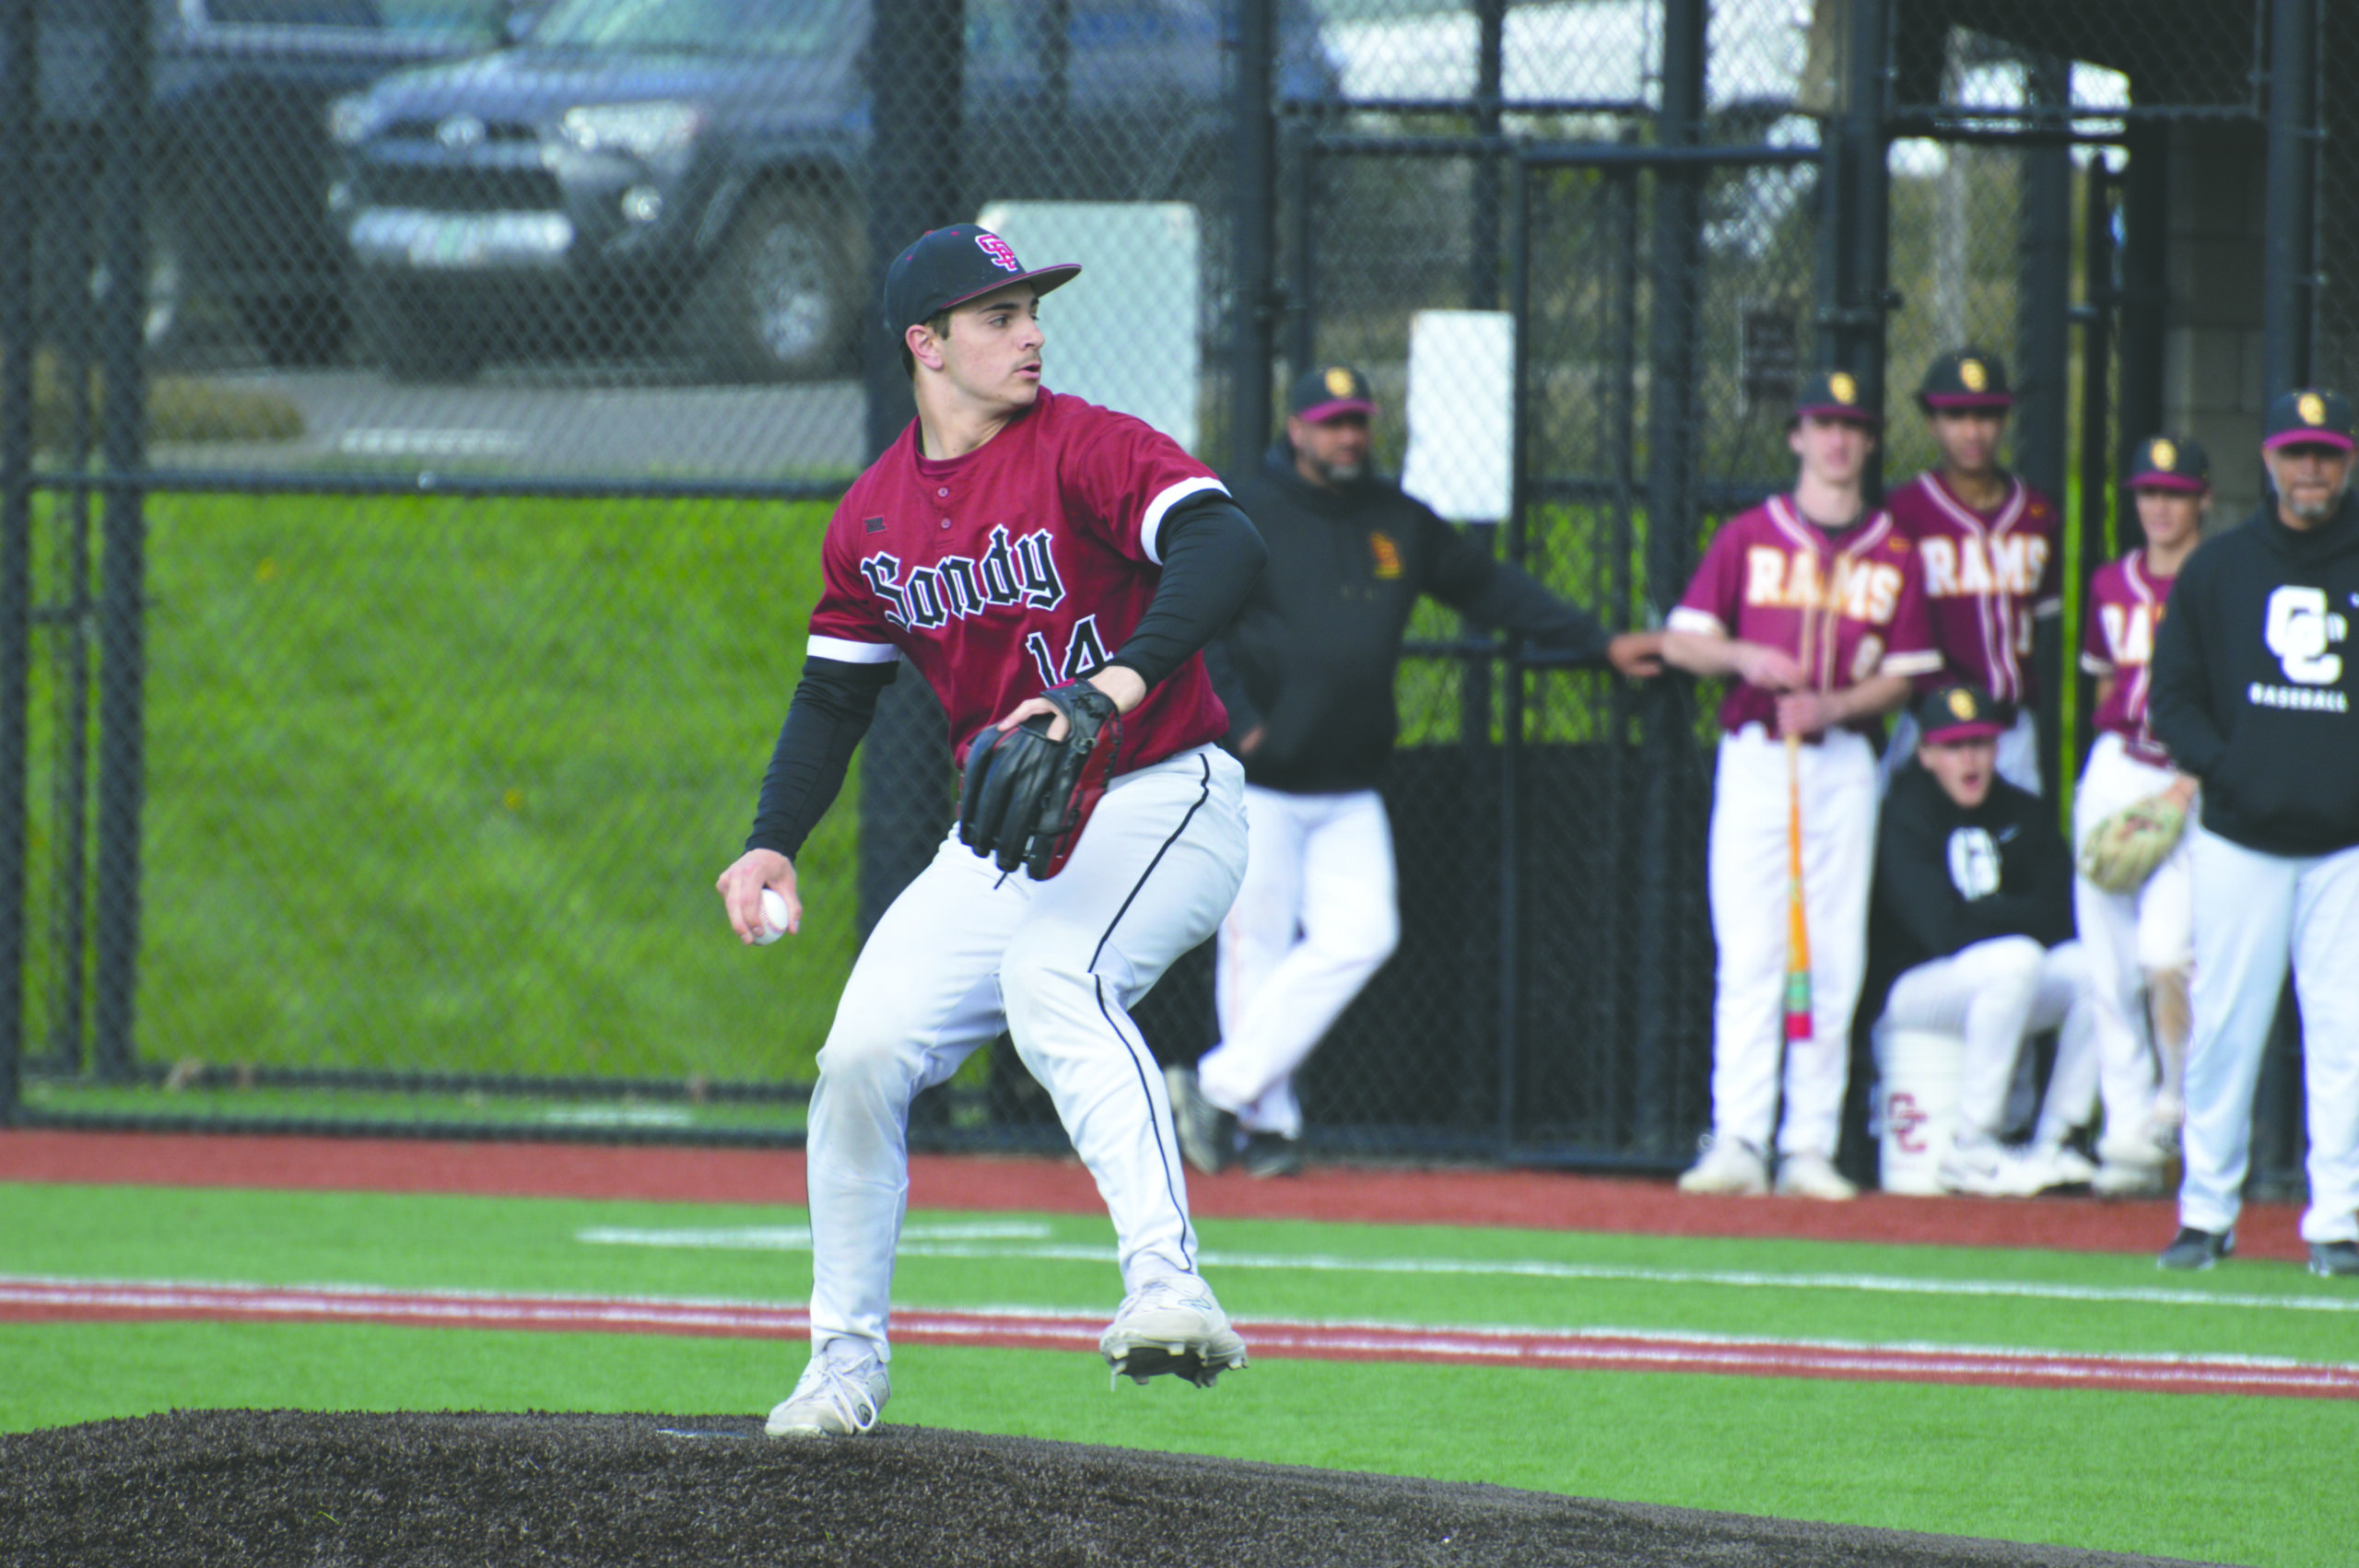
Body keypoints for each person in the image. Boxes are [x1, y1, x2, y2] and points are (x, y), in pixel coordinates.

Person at [713, 223, 1271, 1435]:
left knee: (1053, 972)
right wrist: (772, 838)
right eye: (997, 315)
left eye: (1031, 310)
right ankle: (843, 1368)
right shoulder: (870, 518)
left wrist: (1106, 691)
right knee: (859, 1055)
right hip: (1012, 831)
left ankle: (1170, 1289)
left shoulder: (1089, 446)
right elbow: (831, 691)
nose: (1031, 333)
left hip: (1164, 788)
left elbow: (1227, 544)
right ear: (926, 344)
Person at [1164, 366, 1663, 1177]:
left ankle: (1217, 1090)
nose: (1347, 436)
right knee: (1254, 954)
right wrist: (1237, 719)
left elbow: (1491, 588)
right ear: (1296, 428)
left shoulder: (1396, 517)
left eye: (1357, 420)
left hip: (1350, 781)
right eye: (1331, 423)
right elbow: (1191, 620)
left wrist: (1598, 644)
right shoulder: (1245, 511)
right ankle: (1268, 1126)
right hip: (1260, 782)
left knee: (1364, 936)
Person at [1663, 369, 1942, 1200]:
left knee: (1830, 954)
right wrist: (1746, 656)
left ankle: (1808, 1144)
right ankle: (1740, 1136)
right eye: (1823, 424)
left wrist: (1835, 704)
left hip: (1842, 761)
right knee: (1751, 948)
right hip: (1755, 754)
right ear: (1798, 436)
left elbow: (1905, 674)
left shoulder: (1893, 550)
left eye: (1852, 427)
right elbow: (1683, 643)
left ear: (1865, 442)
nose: (1837, 440)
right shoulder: (1750, 536)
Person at [2149, 388, 2359, 1278]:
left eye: (2328, 454)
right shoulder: (2219, 568)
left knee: (2347, 1030)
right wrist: (2227, 769)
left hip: (2348, 843)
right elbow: (2174, 698)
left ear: (2347, 462)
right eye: (2296, 453)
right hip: (2238, 835)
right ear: (2269, 460)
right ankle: (2205, 1213)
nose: (2311, 470)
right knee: (2225, 1027)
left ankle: (2340, 1220)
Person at [1866, 685, 2096, 1197]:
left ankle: (2056, 1141)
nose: (1969, 760)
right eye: (1952, 747)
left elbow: (2064, 917)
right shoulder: (1907, 816)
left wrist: (1983, 915)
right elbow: (1941, 929)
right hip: (1912, 992)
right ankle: (1973, 1145)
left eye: (1980, 743)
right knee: (2016, 957)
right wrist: (2013, 917)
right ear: (1925, 753)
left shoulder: (2024, 812)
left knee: (2092, 970)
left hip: (1997, 981)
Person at [2065, 435, 2208, 1197]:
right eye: (2149, 493)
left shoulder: (2221, 583)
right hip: (2119, 764)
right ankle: (2125, 1129)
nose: (2159, 506)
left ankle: (2174, 1103)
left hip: (2186, 778)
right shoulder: (2109, 584)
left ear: (2203, 500)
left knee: (2165, 959)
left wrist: (2187, 785)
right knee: (2108, 965)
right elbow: (2100, 690)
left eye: (2175, 493)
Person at [1883, 349, 2062, 794]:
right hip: (1928, 725)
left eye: (1985, 415)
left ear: (2004, 420)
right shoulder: (1905, 512)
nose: (1972, 430)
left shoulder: (2037, 512)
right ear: (1932, 422)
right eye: (1956, 415)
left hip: (2009, 728)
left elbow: (2044, 629)